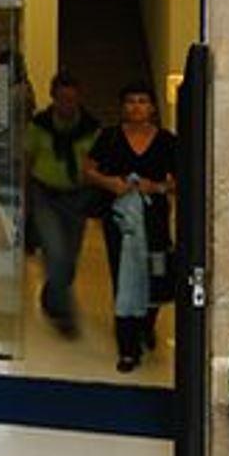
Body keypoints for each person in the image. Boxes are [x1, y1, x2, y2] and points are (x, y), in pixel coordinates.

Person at [85, 82, 177, 372]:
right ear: (123, 106)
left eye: (142, 101)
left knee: (156, 275)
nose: (136, 106)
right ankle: (127, 347)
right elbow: (88, 168)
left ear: (151, 107)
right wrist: (110, 184)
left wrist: (157, 187)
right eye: (131, 101)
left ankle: (146, 324)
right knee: (125, 277)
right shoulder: (109, 137)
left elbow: (178, 178)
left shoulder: (166, 140)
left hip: (155, 220)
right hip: (121, 221)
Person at [20, 72, 101, 338]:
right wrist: (24, 199)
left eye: (72, 100)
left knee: (70, 258)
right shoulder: (39, 126)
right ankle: (65, 315)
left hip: (76, 197)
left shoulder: (91, 129)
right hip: (45, 194)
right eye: (63, 99)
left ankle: (51, 296)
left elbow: (98, 164)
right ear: (54, 98)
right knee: (55, 252)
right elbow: (28, 160)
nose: (68, 105)